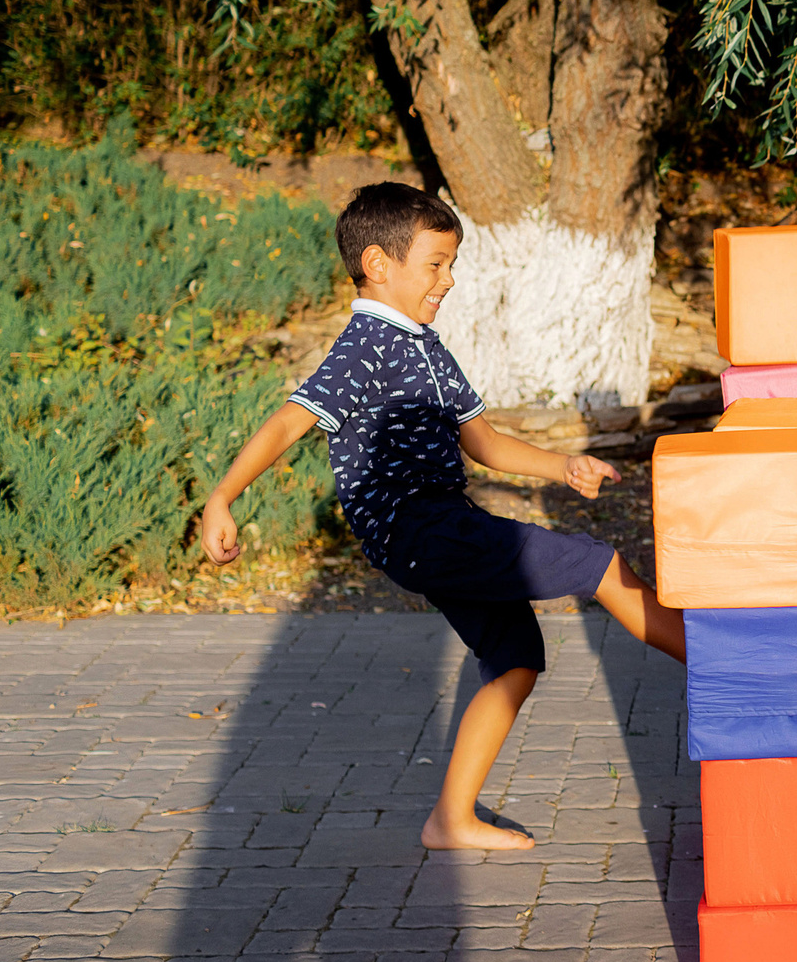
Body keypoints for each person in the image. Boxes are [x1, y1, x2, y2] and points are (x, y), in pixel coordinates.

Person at [196, 183, 686, 853]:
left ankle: (451, 818)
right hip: (420, 528)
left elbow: (482, 442)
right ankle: (727, 663)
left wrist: (561, 467)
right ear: (378, 263)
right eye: (436, 263)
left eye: (451, 263)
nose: (449, 279)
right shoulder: (365, 344)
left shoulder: (426, 346)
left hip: (443, 527)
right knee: (599, 564)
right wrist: (222, 496)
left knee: (515, 656)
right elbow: (290, 420)